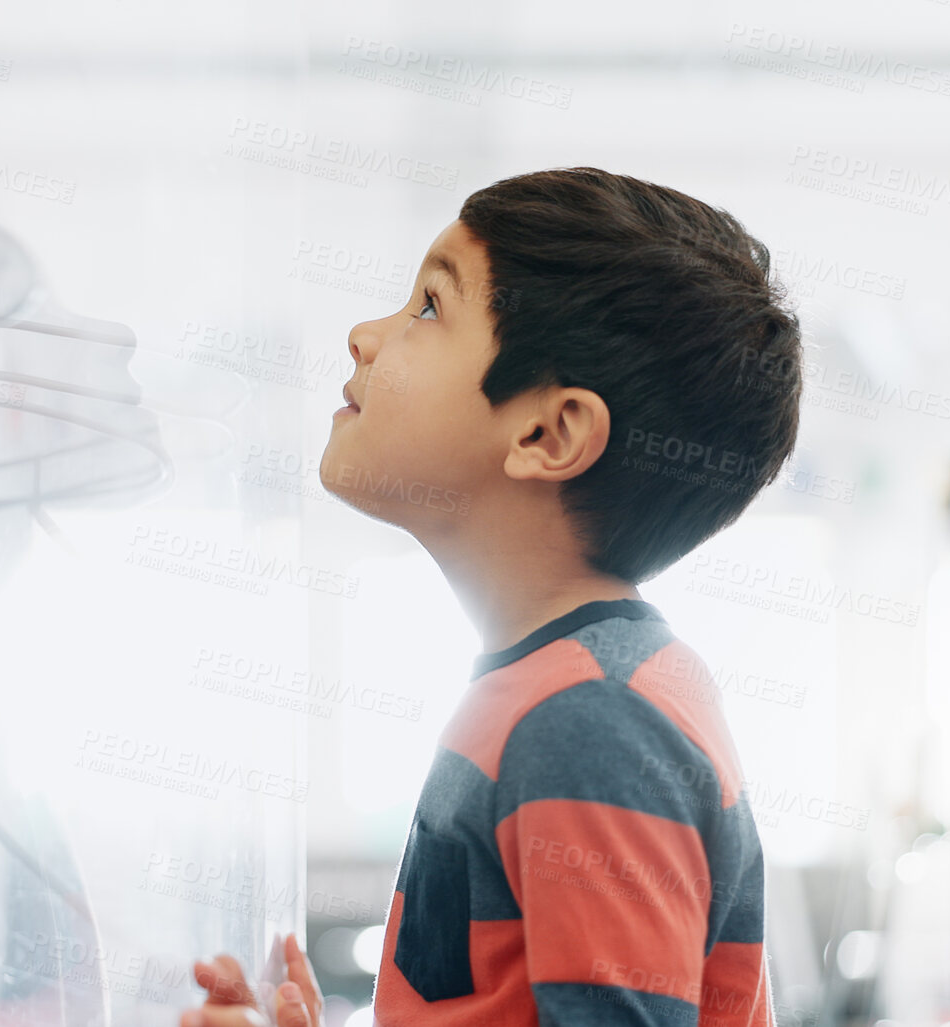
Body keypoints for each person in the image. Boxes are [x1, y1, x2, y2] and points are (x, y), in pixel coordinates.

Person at [183, 167, 801, 1027]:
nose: (365, 335)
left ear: (547, 432)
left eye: (430, 307)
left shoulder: (590, 720)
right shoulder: (558, 695)